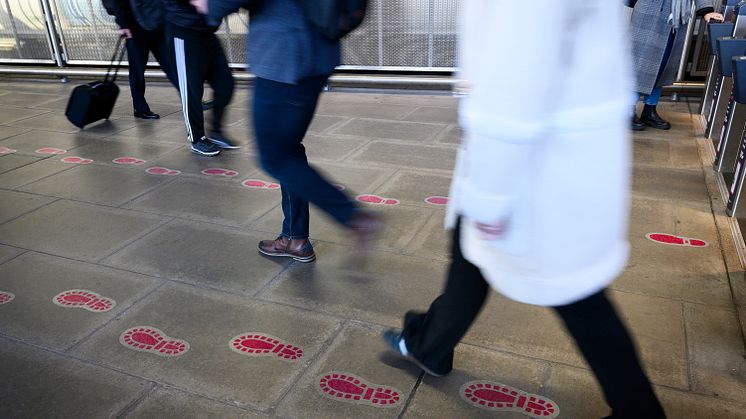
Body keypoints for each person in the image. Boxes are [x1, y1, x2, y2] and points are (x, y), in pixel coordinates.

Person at [381, 1, 667, 417]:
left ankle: (639, 411)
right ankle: (431, 345)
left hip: (538, 159)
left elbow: (516, 75)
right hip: (561, 145)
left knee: (576, 294)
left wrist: (489, 191)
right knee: (471, 250)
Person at [192, 0, 381, 263]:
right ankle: (296, 238)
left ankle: (352, 216)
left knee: (274, 158)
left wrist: (207, 5)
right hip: (319, 53)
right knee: (288, 151)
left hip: (284, 57)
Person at [628, 0, 723, 130]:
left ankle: (650, 110)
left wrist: (707, 10)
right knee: (640, 64)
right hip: (649, 12)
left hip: (676, 16)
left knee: (664, 65)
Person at [163, 0, 239, 156]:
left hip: (207, 32)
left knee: (226, 84)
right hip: (183, 30)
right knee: (191, 90)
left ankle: (216, 131)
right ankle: (197, 139)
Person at [109, 0, 178, 119]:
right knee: (137, 72)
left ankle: (191, 99)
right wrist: (123, 24)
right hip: (135, 30)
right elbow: (117, 3)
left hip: (157, 27)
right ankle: (140, 108)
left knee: (172, 66)